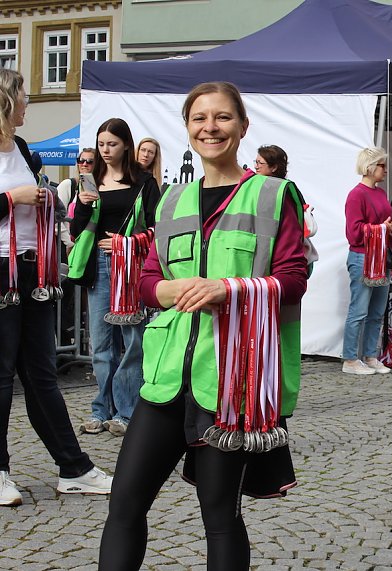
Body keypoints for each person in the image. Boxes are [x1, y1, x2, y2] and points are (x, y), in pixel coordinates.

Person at [98, 81, 308, 570]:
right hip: (167, 378)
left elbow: (294, 280)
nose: (210, 128)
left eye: (222, 118)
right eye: (199, 118)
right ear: (187, 128)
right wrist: (170, 291)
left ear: (242, 126)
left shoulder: (274, 195)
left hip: (233, 381)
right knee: (124, 503)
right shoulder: (171, 199)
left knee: (219, 516)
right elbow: (150, 280)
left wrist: (225, 289)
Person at [0, 68, 113, 507]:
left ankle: (74, 468)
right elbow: (12, 199)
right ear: (7, 101)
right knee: (2, 378)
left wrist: (46, 198)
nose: (29, 103)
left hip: (34, 268)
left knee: (42, 376)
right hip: (1, 270)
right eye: (24, 97)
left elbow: (39, 194)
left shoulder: (24, 149)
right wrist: (12, 199)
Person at [68, 118, 160, 437]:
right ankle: (100, 409)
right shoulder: (90, 181)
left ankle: (126, 410)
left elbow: (158, 229)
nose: (106, 150)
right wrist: (81, 205)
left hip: (132, 267)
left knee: (133, 341)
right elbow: (77, 231)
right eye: (102, 143)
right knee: (101, 342)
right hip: (99, 266)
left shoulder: (144, 182)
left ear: (126, 146)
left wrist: (129, 243)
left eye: (113, 144)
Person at [342, 147, 392, 375]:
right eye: (381, 165)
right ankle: (350, 359)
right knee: (359, 311)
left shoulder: (379, 193)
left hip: (381, 257)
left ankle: (369, 355)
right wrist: (382, 228)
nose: (385, 170)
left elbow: (386, 221)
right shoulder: (356, 195)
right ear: (369, 167)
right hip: (363, 257)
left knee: (376, 312)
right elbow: (353, 233)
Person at [57, 147, 96, 250]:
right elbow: (56, 216)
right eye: (81, 161)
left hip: (90, 244)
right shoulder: (69, 185)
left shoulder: (101, 188)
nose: (84, 164)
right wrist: (69, 243)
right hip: (68, 245)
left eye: (90, 161)